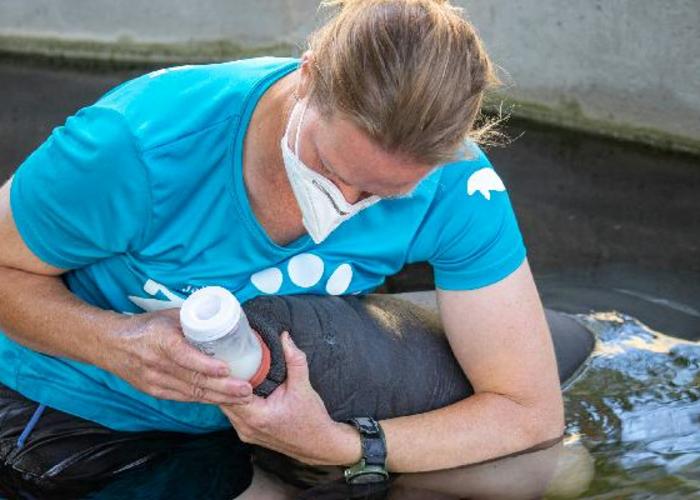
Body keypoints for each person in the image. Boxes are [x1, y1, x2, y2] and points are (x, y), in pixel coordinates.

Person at [0, 0, 563, 485]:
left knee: (524, 473)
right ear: (310, 78)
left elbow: (528, 412)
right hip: (76, 410)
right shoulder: (136, 145)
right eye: (332, 167)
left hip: (282, 417)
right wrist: (116, 342)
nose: (343, 202)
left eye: (380, 194)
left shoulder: (457, 183)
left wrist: (348, 446)